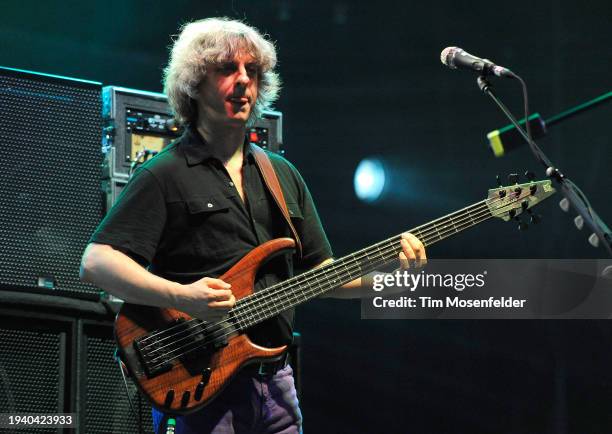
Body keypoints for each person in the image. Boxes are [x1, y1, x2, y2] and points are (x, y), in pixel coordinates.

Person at [80, 17, 426, 434]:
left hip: (276, 382)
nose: (244, 80)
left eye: (253, 71)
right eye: (227, 68)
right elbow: (96, 263)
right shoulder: (165, 173)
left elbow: (321, 276)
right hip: (200, 384)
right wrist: (182, 296)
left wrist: (388, 278)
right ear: (194, 82)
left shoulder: (282, 175)